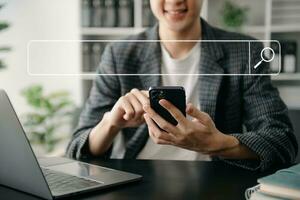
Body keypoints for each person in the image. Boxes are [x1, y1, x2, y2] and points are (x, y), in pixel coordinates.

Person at [66, 0, 298, 171]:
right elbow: (77, 149)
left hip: (215, 181)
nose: (175, 1)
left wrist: (218, 144)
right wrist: (111, 123)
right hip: (137, 176)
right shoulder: (119, 54)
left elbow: (282, 142)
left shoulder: (245, 51)